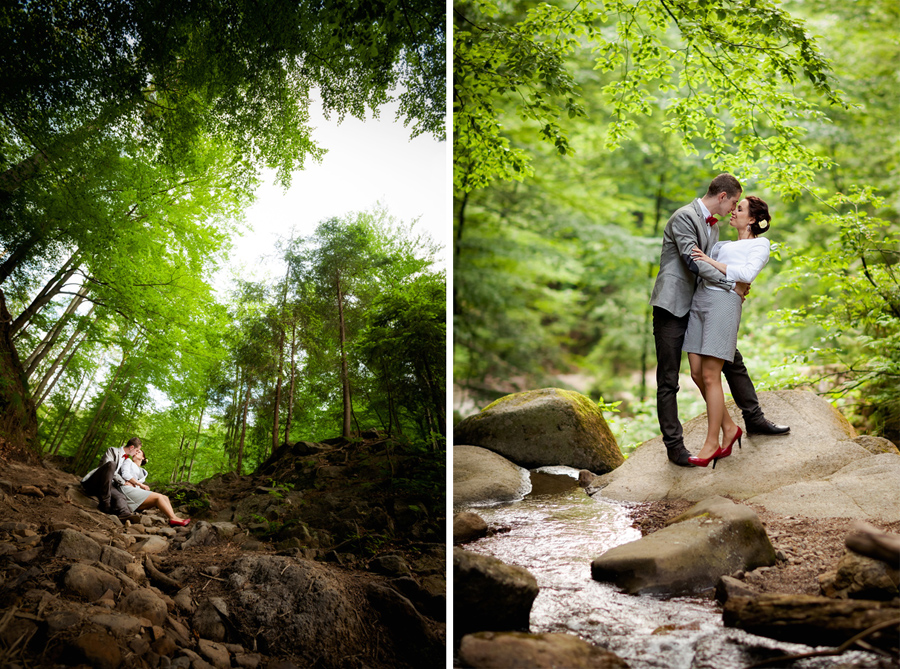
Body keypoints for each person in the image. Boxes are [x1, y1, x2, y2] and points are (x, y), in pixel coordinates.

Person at [649, 174, 789, 467]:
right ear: (723, 197)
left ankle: (750, 421)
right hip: (675, 306)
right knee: (671, 378)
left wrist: (734, 283)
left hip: (705, 304)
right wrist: (732, 284)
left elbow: (734, 268)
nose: (734, 209)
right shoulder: (684, 217)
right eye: (735, 202)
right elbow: (693, 261)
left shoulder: (715, 229)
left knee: (731, 362)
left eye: (741, 206)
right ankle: (676, 448)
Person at [683, 196, 773, 467]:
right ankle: (731, 428)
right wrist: (721, 270)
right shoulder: (721, 244)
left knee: (711, 375)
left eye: (740, 209)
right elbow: (707, 269)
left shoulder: (760, 244)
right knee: (696, 372)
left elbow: (746, 274)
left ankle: (713, 442)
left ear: (754, 219)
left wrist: (716, 266)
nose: (734, 212)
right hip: (700, 301)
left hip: (723, 305)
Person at [119, 449, 191, 527]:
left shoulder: (144, 472)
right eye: (135, 451)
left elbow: (138, 483)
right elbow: (125, 474)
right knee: (158, 497)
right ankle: (172, 518)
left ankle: (175, 518)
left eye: (138, 452)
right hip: (126, 489)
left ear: (143, 458)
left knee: (165, 497)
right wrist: (140, 485)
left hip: (135, 490)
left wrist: (140, 487)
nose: (136, 452)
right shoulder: (128, 461)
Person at [81, 436, 142, 518]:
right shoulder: (112, 450)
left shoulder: (127, 461)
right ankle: (105, 504)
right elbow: (107, 467)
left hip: (109, 485)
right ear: (131, 447)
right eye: (137, 450)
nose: (136, 453)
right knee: (111, 464)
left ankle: (125, 515)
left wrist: (129, 483)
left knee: (120, 496)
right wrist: (123, 482)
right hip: (95, 481)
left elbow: (124, 474)